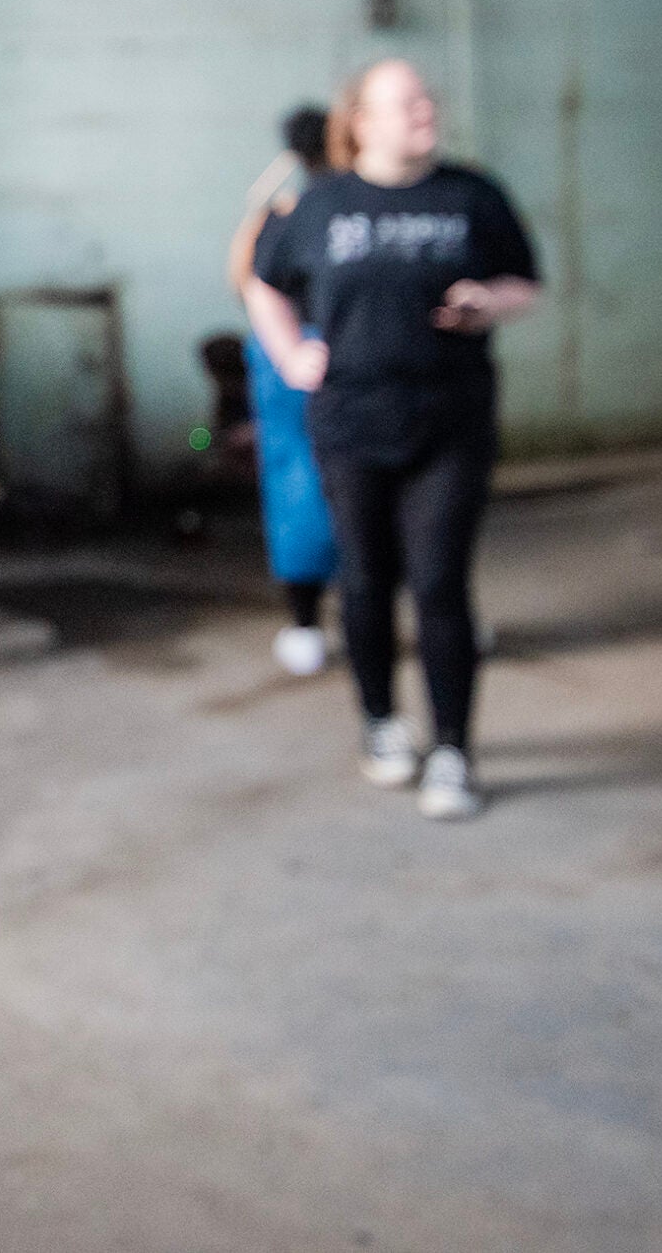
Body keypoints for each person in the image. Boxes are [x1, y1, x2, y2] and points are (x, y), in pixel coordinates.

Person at [244, 60, 539, 821]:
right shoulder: (320, 203)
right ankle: (381, 725)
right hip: (351, 426)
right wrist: (287, 353)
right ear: (361, 122)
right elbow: (262, 280)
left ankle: (452, 753)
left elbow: (525, 284)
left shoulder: (474, 194)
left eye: (427, 98)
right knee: (366, 582)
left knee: (440, 583)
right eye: (404, 102)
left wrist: (487, 300)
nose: (424, 110)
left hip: (451, 422)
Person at [227, 104, 339, 676]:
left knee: (299, 483)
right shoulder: (306, 213)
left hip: (291, 360)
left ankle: (306, 624)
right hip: (311, 358)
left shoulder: (278, 214)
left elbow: (239, 277)